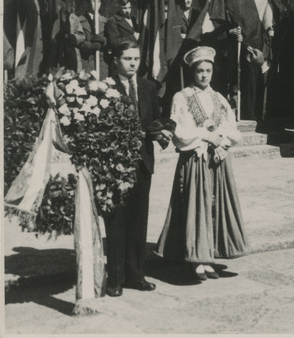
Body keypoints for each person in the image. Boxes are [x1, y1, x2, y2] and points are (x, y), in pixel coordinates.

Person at [156, 46, 247, 281]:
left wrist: (223, 141)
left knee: (215, 205)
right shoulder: (182, 97)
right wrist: (205, 136)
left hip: (217, 160)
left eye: (208, 70)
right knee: (196, 205)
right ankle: (195, 258)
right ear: (192, 73)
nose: (204, 75)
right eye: (199, 71)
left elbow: (231, 128)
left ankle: (209, 256)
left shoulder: (219, 99)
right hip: (195, 158)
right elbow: (179, 130)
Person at [105, 39, 169, 297]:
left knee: (138, 219)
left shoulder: (148, 87)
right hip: (115, 165)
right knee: (117, 220)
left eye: (136, 59)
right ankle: (115, 279)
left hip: (142, 163)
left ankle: (136, 275)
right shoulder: (105, 88)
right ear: (116, 61)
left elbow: (154, 119)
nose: (132, 63)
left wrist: (161, 132)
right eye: (127, 59)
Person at [78, 0, 108, 78]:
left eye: (98, 1)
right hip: (85, 62)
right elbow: (77, 41)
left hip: (101, 63)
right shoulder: (79, 20)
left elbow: (110, 41)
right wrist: (90, 46)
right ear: (87, 3)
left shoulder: (105, 21)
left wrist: (103, 40)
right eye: (93, 1)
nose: (96, 4)